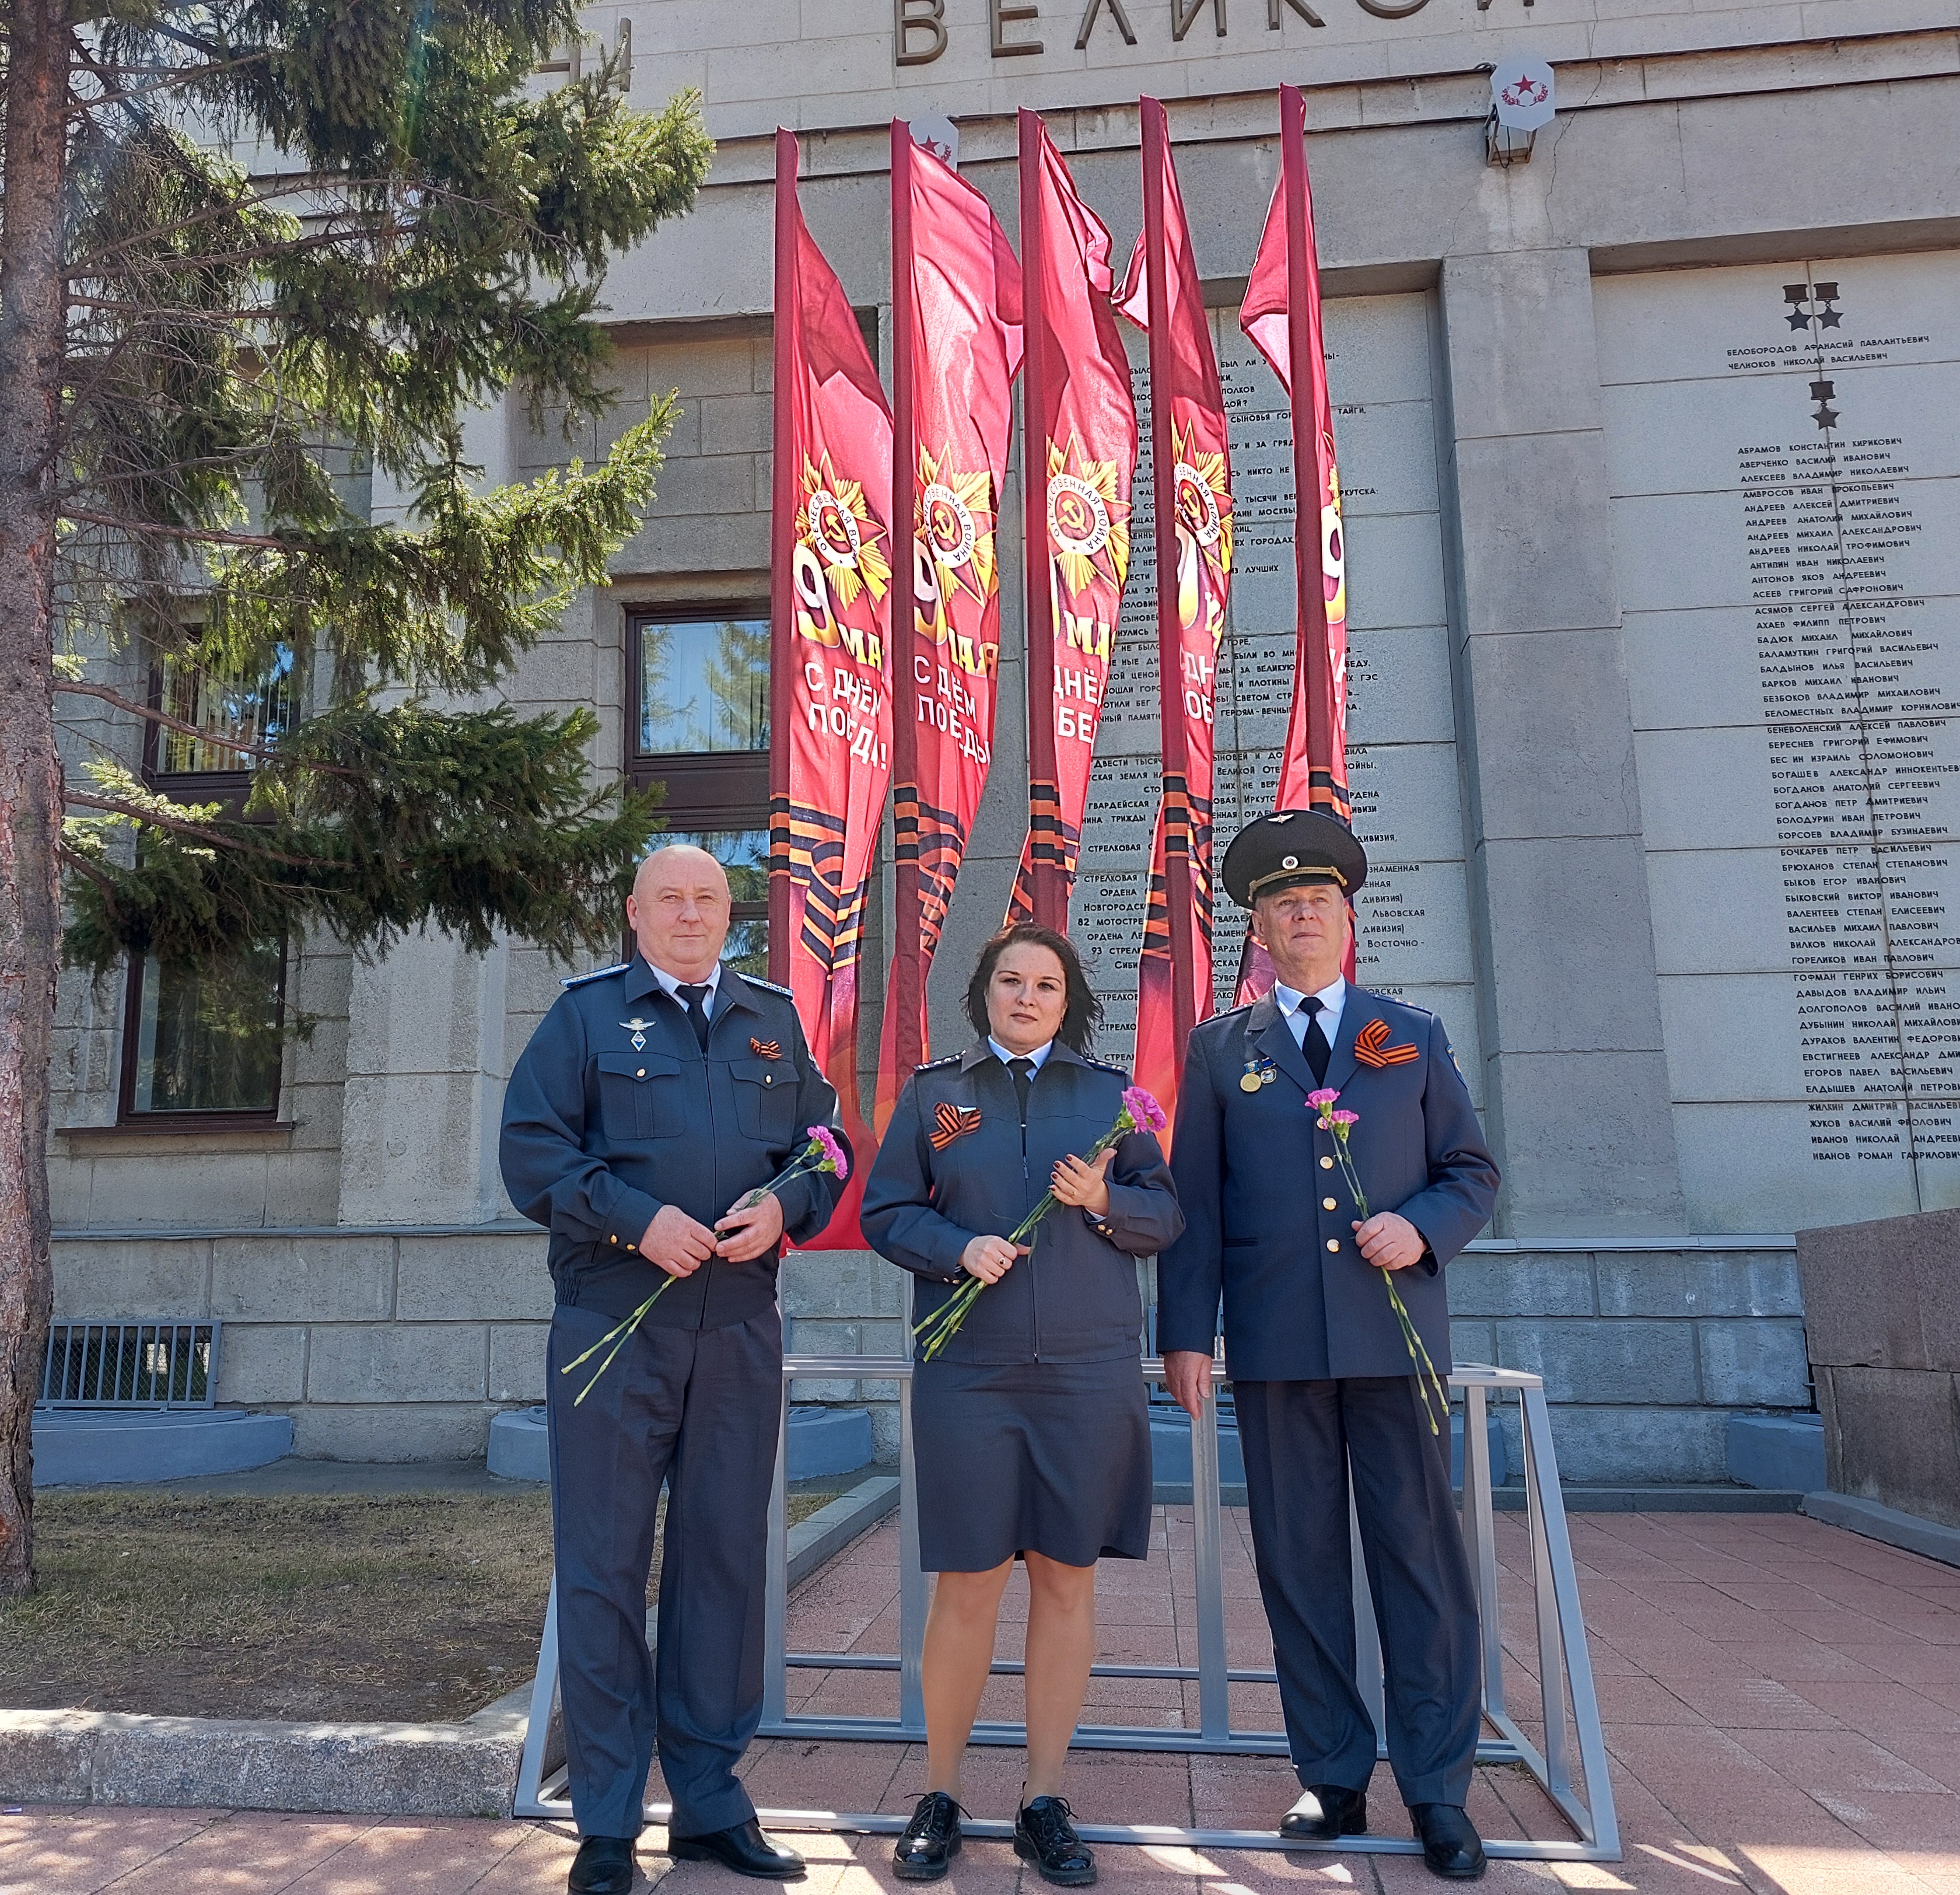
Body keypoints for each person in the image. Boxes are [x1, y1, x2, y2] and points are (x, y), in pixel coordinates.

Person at [498, 844, 851, 1895]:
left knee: (724, 1562)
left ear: (727, 913)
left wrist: (788, 1205)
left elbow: (826, 1145)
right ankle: (607, 1820)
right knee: (606, 1566)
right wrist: (636, 1220)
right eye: (670, 900)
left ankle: (707, 1804)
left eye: (706, 899)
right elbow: (532, 1151)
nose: (690, 915)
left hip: (738, 1328)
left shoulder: (774, 1019)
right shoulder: (584, 1018)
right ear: (635, 913)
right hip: (615, 1324)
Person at [1157, 810, 1500, 1883]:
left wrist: (1422, 1229)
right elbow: (1195, 1208)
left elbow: (1472, 1172)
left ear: (1347, 919)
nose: (1301, 914)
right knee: (1299, 1563)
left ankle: (1438, 1789)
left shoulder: (1411, 1036)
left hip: (1396, 1342)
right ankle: (1334, 1773)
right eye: (1280, 903)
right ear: (1258, 930)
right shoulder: (1221, 1050)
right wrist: (1186, 1335)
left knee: (1419, 1561)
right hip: (1274, 1346)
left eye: (1319, 900)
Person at [861, 923, 1184, 1888]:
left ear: (1067, 999)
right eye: (1012, 980)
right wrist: (955, 1248)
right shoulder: (935, 1093)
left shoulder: (1113, 1098)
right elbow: (884, 1212)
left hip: (1086, 1372)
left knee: (1064, 1577)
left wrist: (1100, 1202)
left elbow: (1163, 1215)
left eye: (1047, 984)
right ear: (985, 993)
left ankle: (1044, 1798)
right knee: (966, 1581)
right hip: (970, 1371)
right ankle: (942, 1793)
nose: (1028, 996)